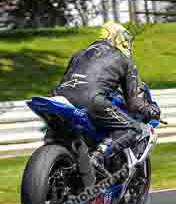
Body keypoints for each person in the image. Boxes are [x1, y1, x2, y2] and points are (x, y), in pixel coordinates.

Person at [54, 22, 161, 169]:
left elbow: (64, 81)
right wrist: (149, 110)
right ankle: (98, 157)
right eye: (125, 41)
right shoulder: (124, 60)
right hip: (92, 101)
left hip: (60, 100)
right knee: (134, 129)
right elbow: (135, 103)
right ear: (118, 39)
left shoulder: (79, 54)